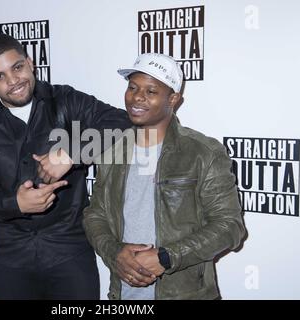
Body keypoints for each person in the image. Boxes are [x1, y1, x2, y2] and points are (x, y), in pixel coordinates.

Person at [0, 33, 132, 299]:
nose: (13, 81)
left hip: (70, 251)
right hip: (10, 257)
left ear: (30, 63)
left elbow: (123, 123)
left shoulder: (64, 100)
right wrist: (15, 203)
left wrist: (72, 153)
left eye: (17, 68)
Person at [83, 53, 246, 300]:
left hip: (185, 294)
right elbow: (95, 214)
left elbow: (230, 226)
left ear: (173, 99)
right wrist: (114, 252)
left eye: (151, 91)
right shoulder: (112, 149)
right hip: (123, 293)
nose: (137, 97)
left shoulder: (202, 152)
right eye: (133, 87)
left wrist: (167, 257)